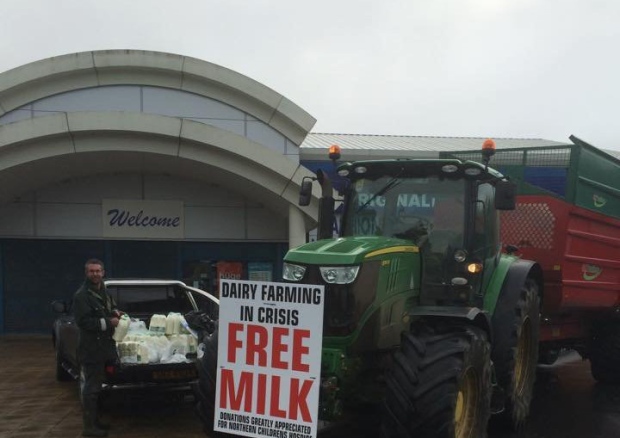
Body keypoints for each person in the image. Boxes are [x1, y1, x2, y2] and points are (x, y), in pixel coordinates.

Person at [73, 258, 122, 437]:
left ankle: (95, 422)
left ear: (103, 273)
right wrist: (110, 322)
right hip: (91, 349)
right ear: (86, 273)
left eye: (98, 271)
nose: (95, 274)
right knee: (91, 390)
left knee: (98, 388)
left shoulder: (103, 291)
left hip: (104, 348)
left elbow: (111, 306)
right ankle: (89, 428)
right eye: (91, 271)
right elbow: (84, 322)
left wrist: (116, 312)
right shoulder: (81, 296)